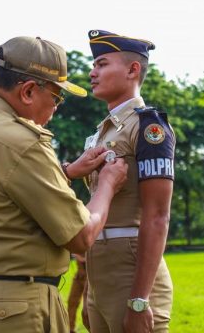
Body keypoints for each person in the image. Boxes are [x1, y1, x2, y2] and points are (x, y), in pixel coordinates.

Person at [0, 36, 128, 333]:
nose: (55, 108)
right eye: (56, 97)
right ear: (27, 91)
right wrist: (107, 186)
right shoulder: (22, 141)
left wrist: (66, 172)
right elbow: (81, 235)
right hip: (11, 309)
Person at [81, 30, 175, 333]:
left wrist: (139, 299)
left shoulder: (148, 126)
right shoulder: (104, 131)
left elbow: (157, 216)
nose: (92, 73)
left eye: (102, 64)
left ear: (133, 70)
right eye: (94, 65)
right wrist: (88, 291)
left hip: (131, 269)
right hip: (100, 268)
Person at [67, 254, 87, 333]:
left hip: (89, 272)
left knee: (89, 305)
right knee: (72, 301)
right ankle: (70, 329)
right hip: (79, 273)